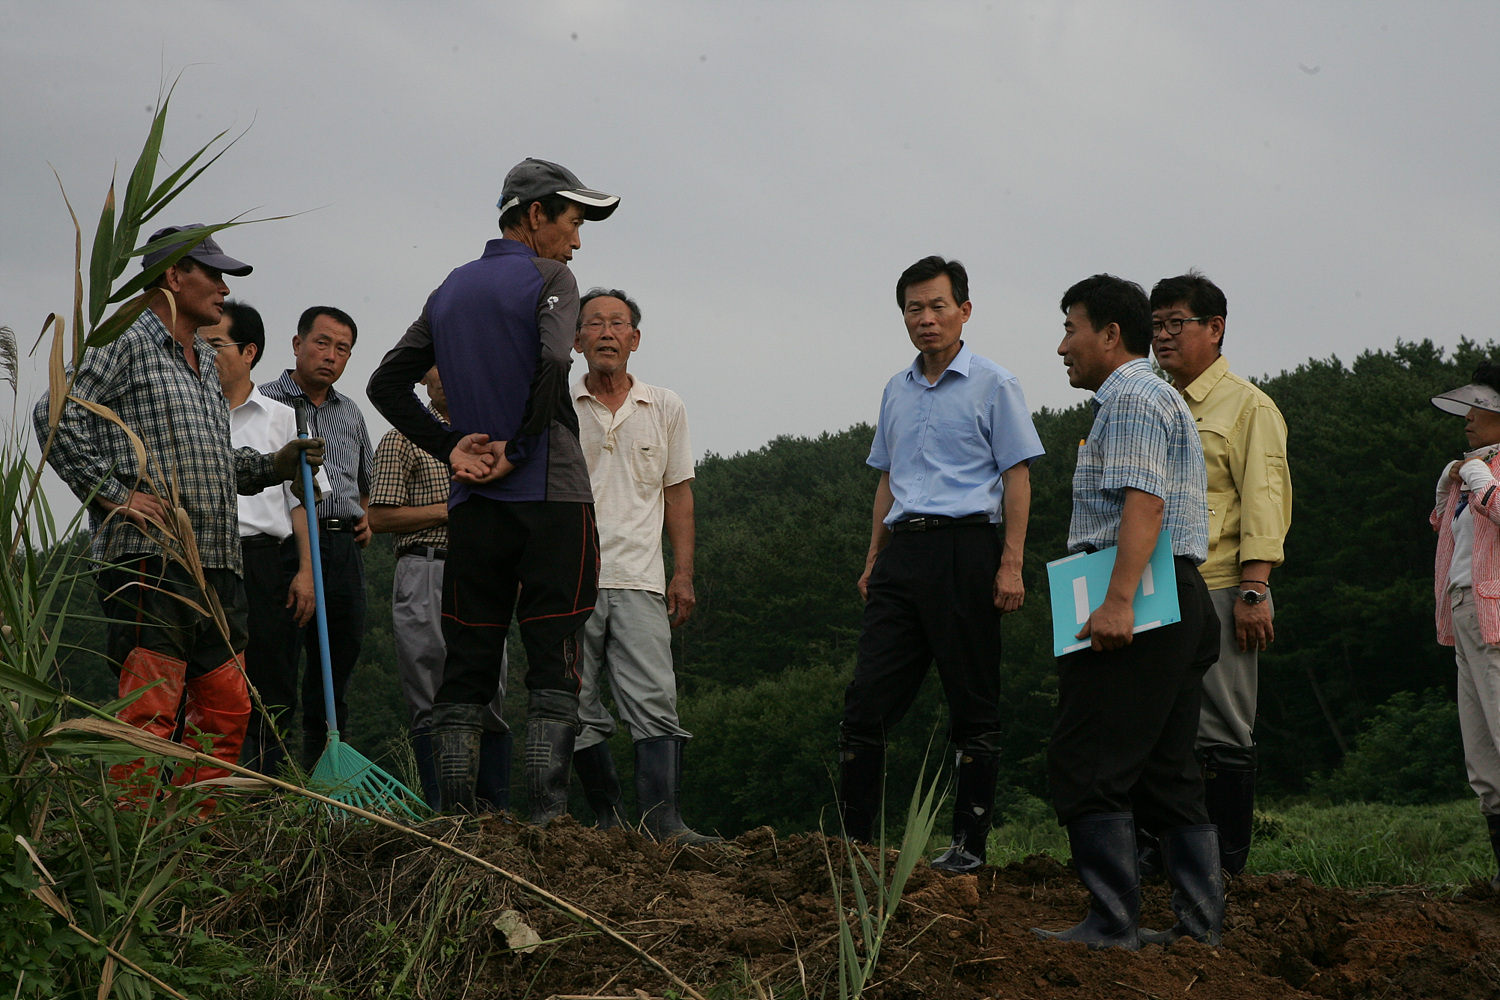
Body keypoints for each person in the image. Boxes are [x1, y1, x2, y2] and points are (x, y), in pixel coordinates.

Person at [33, 225, 322, 801]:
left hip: (216, 561)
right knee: (151, 709)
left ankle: (196, 842)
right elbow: (54, 413)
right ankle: (136, 849)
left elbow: (213, 464)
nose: (222, 288)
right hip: (150, 561)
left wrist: (275, 464)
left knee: (225, 707)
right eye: (212, 275)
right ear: (172, 276)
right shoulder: (126, 340)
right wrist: (113, 492)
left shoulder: (201, 359)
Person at [367, 157, 618, 819]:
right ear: (535, 214)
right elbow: (556, 359)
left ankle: (455, 815)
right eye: (573, 221)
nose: (578, 239)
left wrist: (453, 447)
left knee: (468, 661)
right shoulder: (553, 277)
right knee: (553, 655)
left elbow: (385, 384)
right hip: (551, 496)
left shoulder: (449, 290)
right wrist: (522, 448)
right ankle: (545, 814)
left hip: (473, 507)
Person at [837, 256, 1044, 874]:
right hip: (904, 552)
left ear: (964, 311)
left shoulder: (994, 384)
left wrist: (1011, 563)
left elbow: (1018, 476)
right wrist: (874, 556)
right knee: (865, 702)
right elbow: (887, 479)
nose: (925, 320)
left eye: (937, 307)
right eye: (913, 309)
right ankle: (853, 845)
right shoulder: (895, 389)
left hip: (967, 548)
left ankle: (968, 847)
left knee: (972, 702)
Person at [1033, 274, 1220, 950]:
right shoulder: (1152, 395)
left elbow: (1146, 501)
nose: (1062, 346)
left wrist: (1116, 601)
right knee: (1169, 772)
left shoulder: (1134, 396)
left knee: (1087, 760)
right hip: (1177, 593)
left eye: (1070, 328)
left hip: (1138, 595)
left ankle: (1112, 923)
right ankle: (1198, 929)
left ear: (1111, 335)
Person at [1148, 271, 1292, 876]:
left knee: (1223, 726)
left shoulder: (1247, 405)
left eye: (1176, 323)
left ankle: (1226, 866)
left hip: (1219, 583)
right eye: (1155, 325)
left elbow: (1264, 499)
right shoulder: (1152, 400)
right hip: (1153, 583)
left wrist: (1255, 589)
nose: (1163, 336)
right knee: (1159, 724)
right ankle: (1163, 857)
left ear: (1215, 328)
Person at [569, 288, 715, 844]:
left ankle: (664, 823)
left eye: (618, 324)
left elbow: (679, 495)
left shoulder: (665, 405)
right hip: (571, 576)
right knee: (575, 703)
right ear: (576, 338)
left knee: (656, 698)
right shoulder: (556, 402)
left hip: (641, 577)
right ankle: (606, 820)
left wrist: (683, 573)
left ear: (635, 339)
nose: (607, 333)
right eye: (595, 323)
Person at [369, 366, 512, 811]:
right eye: (436, 363)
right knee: (431, 693)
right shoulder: (402, 438)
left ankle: (494, 813)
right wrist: (453, 510)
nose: (447, 373)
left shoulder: (495, 437)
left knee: (490, 693)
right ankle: (446, 812)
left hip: (486, 572)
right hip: (427, 567)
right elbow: (380, 517)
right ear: (422, 378)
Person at [200, 300, 326, 777]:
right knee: (207, 676)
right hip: (201, 557)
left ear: (248, 351)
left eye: (215, 345)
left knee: (271, 680)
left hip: (264, 562)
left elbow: (303, 503)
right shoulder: (192, 412)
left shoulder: (282, 417)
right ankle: (205, 787)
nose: (205, 354)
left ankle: (266, 787)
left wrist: (306, 573)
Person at [261, 306, 373, 769]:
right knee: (277, 665)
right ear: (297, 344)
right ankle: (268, 780)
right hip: (285, 548)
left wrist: (362, 517)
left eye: (342, 349)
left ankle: (324, 778)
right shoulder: (266, 402)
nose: (330, 355)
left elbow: (363, 484)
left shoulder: (350, 413)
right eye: (322, 342)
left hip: (342, 548)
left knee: (336, 667)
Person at [1429, 363, 1500, 890]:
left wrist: (1480, 479)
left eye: (1480, 408)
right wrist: (1449, 487)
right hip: (1464, 615)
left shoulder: (1488, 471)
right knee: (1483, 761)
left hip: (1497, 624)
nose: (1468, 418)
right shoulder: (1474, 465)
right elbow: (1449, 533)